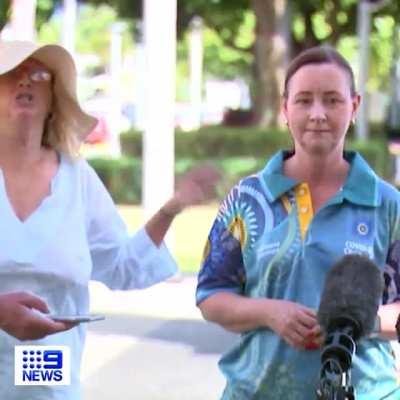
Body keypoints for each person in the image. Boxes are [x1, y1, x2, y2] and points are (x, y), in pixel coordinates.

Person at [0, 40, 219, 399]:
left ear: (54, 98)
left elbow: (122, 266)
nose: (25, 80)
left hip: (45, 377)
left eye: (38, 74)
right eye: (11, 72)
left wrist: (171, 209)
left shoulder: (76, 178)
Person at [196, 45, 400, 400]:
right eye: (304, 100)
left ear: (354, 106)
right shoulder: (247, 199)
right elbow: (211, 296)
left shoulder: (388, 206)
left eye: (332, 100)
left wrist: (350, 323)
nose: (318, 113)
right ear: (284, 108)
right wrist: (270, 313)